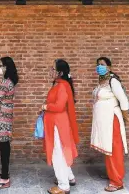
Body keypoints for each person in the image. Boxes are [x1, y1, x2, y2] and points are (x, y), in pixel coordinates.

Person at [90, 57, 129, 192]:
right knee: (107, 148)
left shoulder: (113, 81)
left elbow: (123, 101)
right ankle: (111, 174)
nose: (99, 66)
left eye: (102, 64)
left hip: (112, 120)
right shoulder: (101, 82)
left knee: (114, 150)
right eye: (98, 65)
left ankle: (117, 181)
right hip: (104, 122)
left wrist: (124, 118)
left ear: (109, 67)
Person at [41, 59, 79, 194]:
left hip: (58, 123)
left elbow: (59, 106)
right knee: (61, 151)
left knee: (58, 153)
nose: (51, 71)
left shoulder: (62, 86)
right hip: (56, 122)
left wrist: (45, 106)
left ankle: (63, 186)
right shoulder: (59, 84)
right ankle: (70, 177)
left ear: (60, 72)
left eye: (53, 69)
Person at [0, 57, 19, 190]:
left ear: (6, 67)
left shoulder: (5, 83)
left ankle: (5, 178)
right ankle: (4, 171)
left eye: (0, 65)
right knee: (4, 146)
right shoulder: (9, 81)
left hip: (1, 119)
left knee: (4, 147)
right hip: (5, 118)